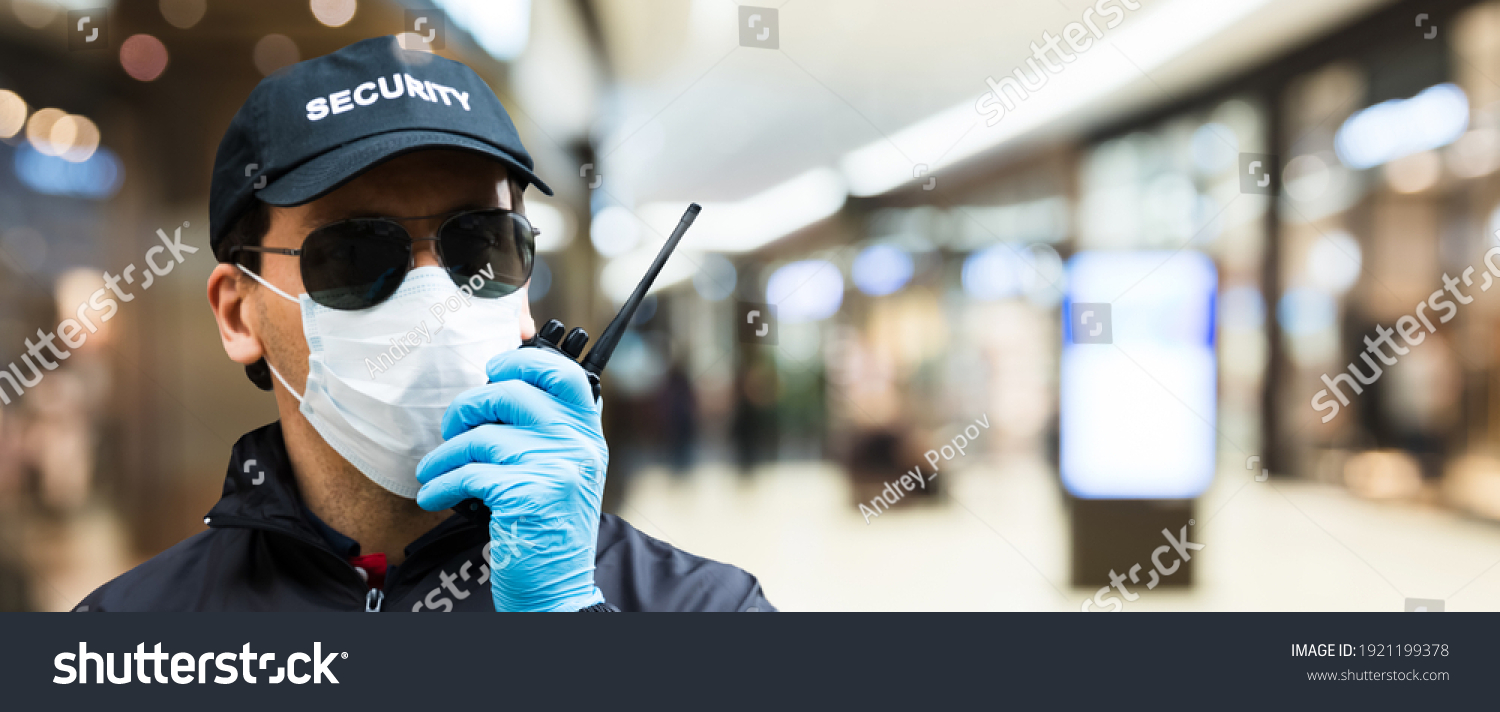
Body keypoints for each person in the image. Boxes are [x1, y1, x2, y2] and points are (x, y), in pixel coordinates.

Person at [76, 36, 773, 612]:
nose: (438, 293)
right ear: (238, 313)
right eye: (354, 252)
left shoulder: (705, 609)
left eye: (482, 244)